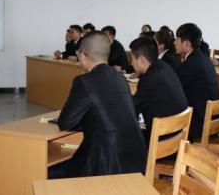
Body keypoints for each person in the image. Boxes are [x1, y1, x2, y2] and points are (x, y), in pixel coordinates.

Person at [48, 32, 147, 179]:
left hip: (106, 163)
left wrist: (86, 121)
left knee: (47, 171)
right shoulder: (120, 78)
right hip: (136, 157)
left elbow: (65, 122)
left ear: (83, 55)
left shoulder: (84, 82)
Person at [129, 36, 188, 143]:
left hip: (162, 141)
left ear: (141, 60)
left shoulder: (149, 79)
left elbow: (131, 109)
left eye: (132, 58)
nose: (131, 63)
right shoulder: (164, 67)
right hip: (178, 135)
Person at [174, 23, 219, 141]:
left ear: (186, 44)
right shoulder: (203, 59)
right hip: (211, 119)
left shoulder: (191, 64)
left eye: (177, 39)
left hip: (199, 125)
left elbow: (172, 88)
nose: (174, 42)